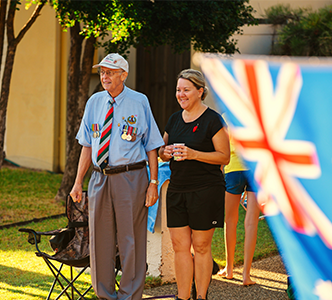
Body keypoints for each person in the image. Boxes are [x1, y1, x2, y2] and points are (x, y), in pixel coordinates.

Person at [70, 53, 164, 300]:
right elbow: (87, 144)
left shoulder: (139, 101)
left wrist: (153, 183)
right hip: (99, 178)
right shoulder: (94, 102)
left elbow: (152, 145)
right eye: (102, 72)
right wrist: (79, 181)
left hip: (130, 177)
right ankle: (105, 295)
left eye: (110, 72)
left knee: (130, 239)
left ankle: (129, 295)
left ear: (124, 75)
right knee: (99, 240)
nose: (104, 76)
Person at [159, 69, 230, 300]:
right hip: (178, 190)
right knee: (179, 246)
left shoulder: (213, 120)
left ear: (200, 91)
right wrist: (165, 152)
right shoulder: (174, 119)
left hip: (206, 190)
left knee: (200, 246)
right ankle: (182, 297)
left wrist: (194, 154)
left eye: (186, 90)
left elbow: (224, 157)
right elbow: (161, 151)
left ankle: (201, 297)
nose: (181, 94)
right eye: (178, 90)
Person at [217, 130, 261, 286]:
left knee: (230, 220)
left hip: (233, 169)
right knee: (251, 222)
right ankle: (246, 275)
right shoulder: (254, 113)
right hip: (254, 168)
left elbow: (222, 148)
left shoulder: (226, 116)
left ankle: (229, 269)